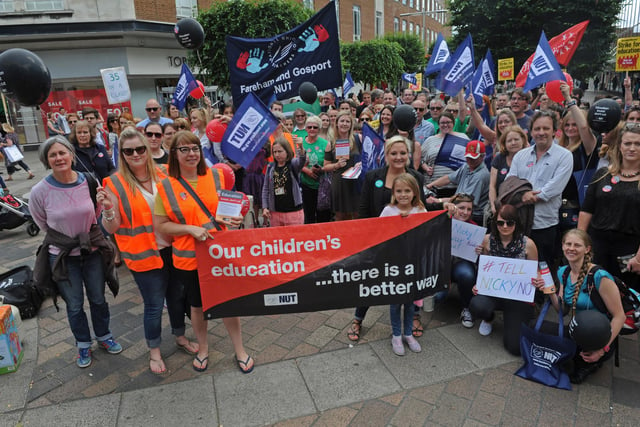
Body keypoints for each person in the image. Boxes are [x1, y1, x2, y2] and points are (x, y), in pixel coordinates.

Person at [154, 131, 254, 373]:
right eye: (184, 149)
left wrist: (234, 219)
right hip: (189, 258)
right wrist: (189, 228)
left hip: (220, 254)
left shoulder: (217, 175)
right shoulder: (165, 187)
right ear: (174, 154)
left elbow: (229, 211)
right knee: (197, 307)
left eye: (195, 148)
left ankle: (239, 349)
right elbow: (161, 225)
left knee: (229, 303)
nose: (191, 153)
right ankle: (203, 348)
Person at [100, 128, 198, 374]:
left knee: (176, 297)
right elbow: (111, 226)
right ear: (122, 154)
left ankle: (179, 336)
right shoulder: (113, 183)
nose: (136, 154)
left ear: (147, 149)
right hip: (143, 255)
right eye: (129, 151)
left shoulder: (165, 173)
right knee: (154, 305)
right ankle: (154, 350)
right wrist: (109, 209)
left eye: (140, 148)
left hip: (173, 249)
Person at [30, 136, 122, 368]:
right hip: (61, 256)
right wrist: (67, 238)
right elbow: (43, 224)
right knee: (74, 304)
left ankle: (104, 335)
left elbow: (97, 211)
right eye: (53, 155)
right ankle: (83, 343)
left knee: (98, 299)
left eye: (63, 153)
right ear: (46, 160)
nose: (59, 158)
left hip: (91, 252)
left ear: (71, 154)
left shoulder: (89, 181)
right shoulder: (39, 191)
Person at [351, 136, 431, 341]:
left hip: (407, 247)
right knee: (371, 281)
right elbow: (364, 210)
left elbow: (421, 206)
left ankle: (413, 316)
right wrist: (364, 239)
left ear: (408, 155)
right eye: (393, 153)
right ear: (386, 155)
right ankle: (358, 318)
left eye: (403, 153)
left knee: (411, 281)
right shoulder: (373, 177)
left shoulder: (416, 177)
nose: (398, 157)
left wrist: (445, 206)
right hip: (379, 243)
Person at [540, 229, 625, 384]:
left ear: (587, 249)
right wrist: (550, 291)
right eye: (568, 244)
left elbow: (620, 316)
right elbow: (562, 310)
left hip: (598, 336)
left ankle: (595, 361)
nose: (571, 248)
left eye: (577, 245)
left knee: (573, 374)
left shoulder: (600, 276)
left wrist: (602, 349)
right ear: (562, 246)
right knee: (534, 328)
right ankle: (576, 353)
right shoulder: (563, 272)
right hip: (576, 329)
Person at [470, 204, 539, 355]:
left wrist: (537, 280)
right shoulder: (488, 240)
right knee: (477, 305)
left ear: (516, 223)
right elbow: (485, 268)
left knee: (514, 347)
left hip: (517, 297)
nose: (505, 226)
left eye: (510, 222)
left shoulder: (528, 244)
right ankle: (489, 318)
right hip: (494, 291)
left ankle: (514, 319)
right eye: (500, 223)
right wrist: (480, 284)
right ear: (495, 223)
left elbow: (535, 272)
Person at [578, 123, 640, 292]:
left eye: (637, 144)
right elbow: (586, 211)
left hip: (630, 252)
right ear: (619, 146)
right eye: (627, 143)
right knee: (595, 297)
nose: (632, 148)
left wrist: (639, 258)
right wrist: (580, 245)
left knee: (626, 304)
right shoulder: (603, 174)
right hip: (598, 248)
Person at [506, 111, 573, 267]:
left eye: (546, 128)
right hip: (518, 223)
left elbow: (554, 188)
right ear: (531, 131)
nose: (541, 133)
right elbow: (509, 183)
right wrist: (522, 196)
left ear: (555, 131)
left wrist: (525, 196)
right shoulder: (520, 156)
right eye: (537, 129)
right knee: (518, 269)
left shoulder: (564, 156)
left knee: (543, 271)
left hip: (544, 225)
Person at [380, 173, 424, 355]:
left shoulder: (420, 211)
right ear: (393, 192)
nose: (403, 194)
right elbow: (379, 234)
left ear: (414, 192)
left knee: (410, 300)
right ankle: (396, 335)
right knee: (396, 301)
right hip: (394, 265)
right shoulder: (388, 211)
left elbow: (428, 233)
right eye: (399, 191)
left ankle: (408, 333)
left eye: (407, 190)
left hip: (413, 263)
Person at [558, 83, 599, 228]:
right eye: (567, 125)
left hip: (577, 208)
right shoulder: (558, 147)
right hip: (556, 209)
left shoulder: (587, 148)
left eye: (574, 124)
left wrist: (568, 98)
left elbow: (584, 127)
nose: (570, 128)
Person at [426, 140, 490, 224]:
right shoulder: (467, 166)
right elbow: (449, 178)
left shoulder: (481, 175)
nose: (470, 160)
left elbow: (465, 200)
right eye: (468, 157)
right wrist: (429, 186)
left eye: (473, 158)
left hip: (472, 215)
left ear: (483, 156)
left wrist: (439, 201)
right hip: (459, 208)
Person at [420, 112, 470, 197]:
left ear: (453, 123)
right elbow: (420, 159)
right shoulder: (430, 140)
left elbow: (469, 159)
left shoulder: (463, 138)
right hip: (433, 186)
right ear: (438, 124)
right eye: (442, 123)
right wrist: (426, 168)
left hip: (456, 186)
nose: (445, 125)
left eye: (448, 122)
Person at [324, 111, 361, 221]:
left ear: (351, 124)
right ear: (336, 123)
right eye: (342, 121)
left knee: (357, 213)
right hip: (339, 182)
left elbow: (368, 155)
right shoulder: (330, 143)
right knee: (340, 215)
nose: (344, 124)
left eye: (347, 121)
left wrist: (362, 162)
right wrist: (336, 165)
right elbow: (325, 166)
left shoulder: (358, 139)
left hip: (356, 181)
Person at [262, 137, 306, 226]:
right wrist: (265, 207)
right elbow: (265, 189)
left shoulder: (293, 164)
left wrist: (301, 147)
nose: (277, 155)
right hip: (275, 213)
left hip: (294, 212)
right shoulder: (270, 167)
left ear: (287, 151)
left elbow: (302, 160)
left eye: (280, 151)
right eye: (274, 152)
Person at [488, 126, 528, 215]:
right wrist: (493, 205)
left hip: (521, 205)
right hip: (500, 203)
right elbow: (492, 186)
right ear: (504, 144)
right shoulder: (499, 158)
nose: (513, 143)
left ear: (523, 140)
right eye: (509, 141)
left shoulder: (529, 158)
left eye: (516, 139)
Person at [300, 116, 331, 224]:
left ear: (319, 129)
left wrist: (320, 169)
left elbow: (328, 163)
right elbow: (294, 162)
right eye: (309, 127)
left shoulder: (326, 144)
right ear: (305, 128)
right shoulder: (300, 143)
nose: (312, 129)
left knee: (323, 216)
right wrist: (307, 170)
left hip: (322, 185)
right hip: (306, 184)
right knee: (308, 216)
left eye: (315, 127)